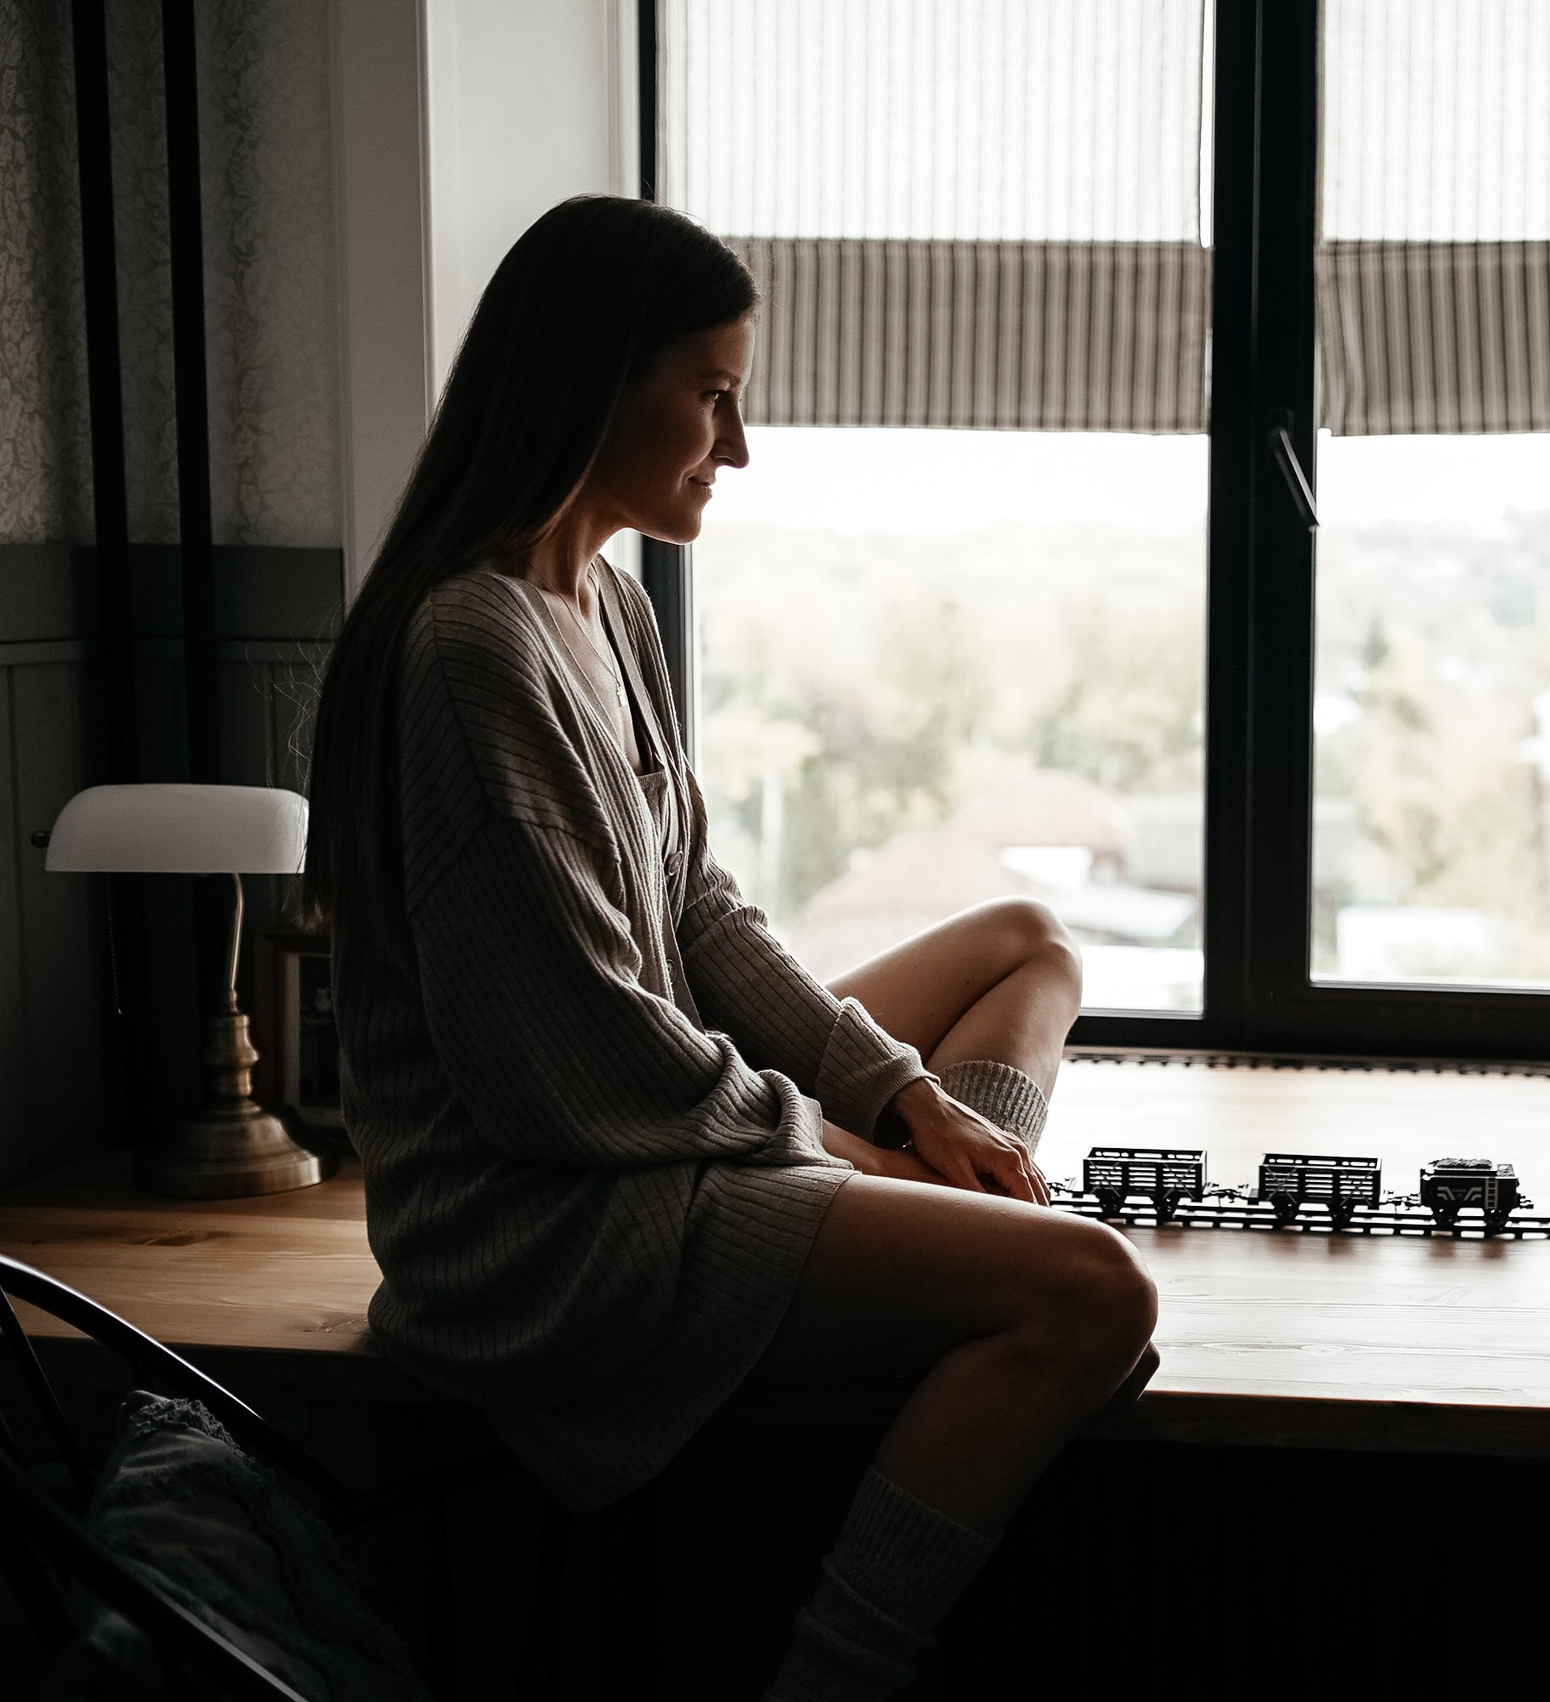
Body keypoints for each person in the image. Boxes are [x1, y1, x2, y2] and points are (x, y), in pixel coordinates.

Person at [304, 197, 1159, 1701]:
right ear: (593, 381)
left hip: (642, 1139)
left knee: (1028, 945)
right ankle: (830, 1675)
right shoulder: (469, 647)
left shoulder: (606, 605)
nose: (739, 445)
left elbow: (699, 910)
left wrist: (911, 1101)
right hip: (541, 1225)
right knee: (1095, 1292)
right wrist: (845, 1155)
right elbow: (573, 1073)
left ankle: (957, 1259)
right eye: (712, 394)